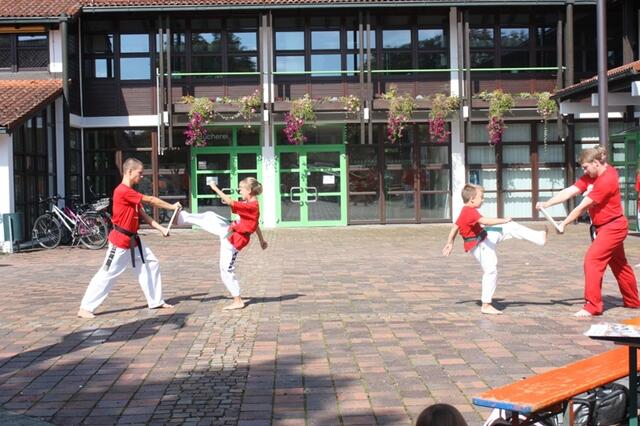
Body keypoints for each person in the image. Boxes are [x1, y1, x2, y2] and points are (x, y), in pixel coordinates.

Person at [536, 146, 640, 317]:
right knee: (619, 264)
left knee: (592, 261)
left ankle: (593, 306)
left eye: (585, 167)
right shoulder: (593, 175)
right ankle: (633, 301)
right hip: (604, 227)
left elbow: (582, 207)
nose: (584, 171)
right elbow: (570, 191)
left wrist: (564, 224)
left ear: (596, 163)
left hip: (613, 227)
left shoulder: (607, 180)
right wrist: (547, 203)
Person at [77, 158, 182, 319]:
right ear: (130, 172)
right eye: (140, 173)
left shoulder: (131, 193)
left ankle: (155, 301)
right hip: (120, 241)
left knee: (151, 263)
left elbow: (143, 215)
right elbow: (151, 200)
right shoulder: (123, 191)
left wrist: (161, 228)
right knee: (107, 273)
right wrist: (172, 206)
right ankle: (85, 308)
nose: (142, 176)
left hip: (134, 241)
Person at [442, 184, 547, 315]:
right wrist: (503, 220)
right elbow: (485, 221)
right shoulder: (469, 211)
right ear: (472, 200)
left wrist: (450, 243)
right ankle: (486, 305)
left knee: (510, 226)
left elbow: (455, 227)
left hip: (485, 236)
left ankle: (539, 238)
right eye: (481, 197)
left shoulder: (466, 210)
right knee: (490, 270)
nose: (483, 200)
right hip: (479, 245)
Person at [175, 177, 268, 310]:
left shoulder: (251, 206)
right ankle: (182, 217)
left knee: (226, 270)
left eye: (241, 189)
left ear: (249, 191)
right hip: (231, 232)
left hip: (235, 239)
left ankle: (238, 301)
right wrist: (261, 240)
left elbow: (230, 202)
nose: (239, 191)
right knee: (210, 216)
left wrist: (214, 188)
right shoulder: (249, 203)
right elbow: (255, 223)